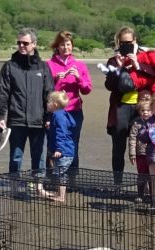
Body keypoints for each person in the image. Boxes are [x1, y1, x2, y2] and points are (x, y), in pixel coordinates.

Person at [104, 26, 155, 182]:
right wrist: (118, 67)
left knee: (144, 149)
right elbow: (109, 85)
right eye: (122, 42)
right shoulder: (113, 60)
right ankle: (117, 183)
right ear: (118, 42)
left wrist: (137, 64)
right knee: (118, 148)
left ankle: (143, 188)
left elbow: (153, 76)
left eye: (129, 42)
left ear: (135, 41)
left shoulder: (144, 57)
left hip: (142, 108)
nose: (125, 45)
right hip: (121, 108)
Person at [0, 27, 54, 174]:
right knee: (15, 158)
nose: (21, 46)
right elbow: (2, 92)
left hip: (38, 121)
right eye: (19, 42)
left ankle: (38, 187)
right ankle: (14, 188)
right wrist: (1, 116)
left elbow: (49, 94)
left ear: (34, 44)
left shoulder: (43, 67)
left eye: (25, 43)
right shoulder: (9, 66)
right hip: (16, 121)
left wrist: (49, 117)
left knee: (38, 159)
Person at [46, 31, 92, 170]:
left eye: (68, 44)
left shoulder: (80, 65)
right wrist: (55, 79)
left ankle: (72, 179)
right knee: (53, 143)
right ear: (57, 46)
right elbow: (44, 89)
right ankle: (52, 178)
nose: (66, 47)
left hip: (74, 112)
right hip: (54, 111)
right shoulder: (49, 64)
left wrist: (79, 78)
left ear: (72, 46)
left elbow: (87, 89)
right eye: (62, 45)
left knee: (72, 144)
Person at [40, 91, 76, 202]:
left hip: (64, 151)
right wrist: (51, 126)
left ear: (55, 104)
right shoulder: (61, 114)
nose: (47, 104)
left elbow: (61, 133)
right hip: (67, 151)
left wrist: (59, 149)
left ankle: (61, 196)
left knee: (60, 173)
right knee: (59, 173)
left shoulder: (58, 115)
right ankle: (60, 193)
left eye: (48, 102)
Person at [128, 96, 152, 202]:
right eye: (143, 110)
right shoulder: (136, 123)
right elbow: (132, 139)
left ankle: (153, 195)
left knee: (152, 175)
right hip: (140, 154)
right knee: (141, 175)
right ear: (139, 111)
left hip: (152, 154)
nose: (145, 113)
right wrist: (132, 154)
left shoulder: (154, 123)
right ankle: (140, 194)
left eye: (148, 110)